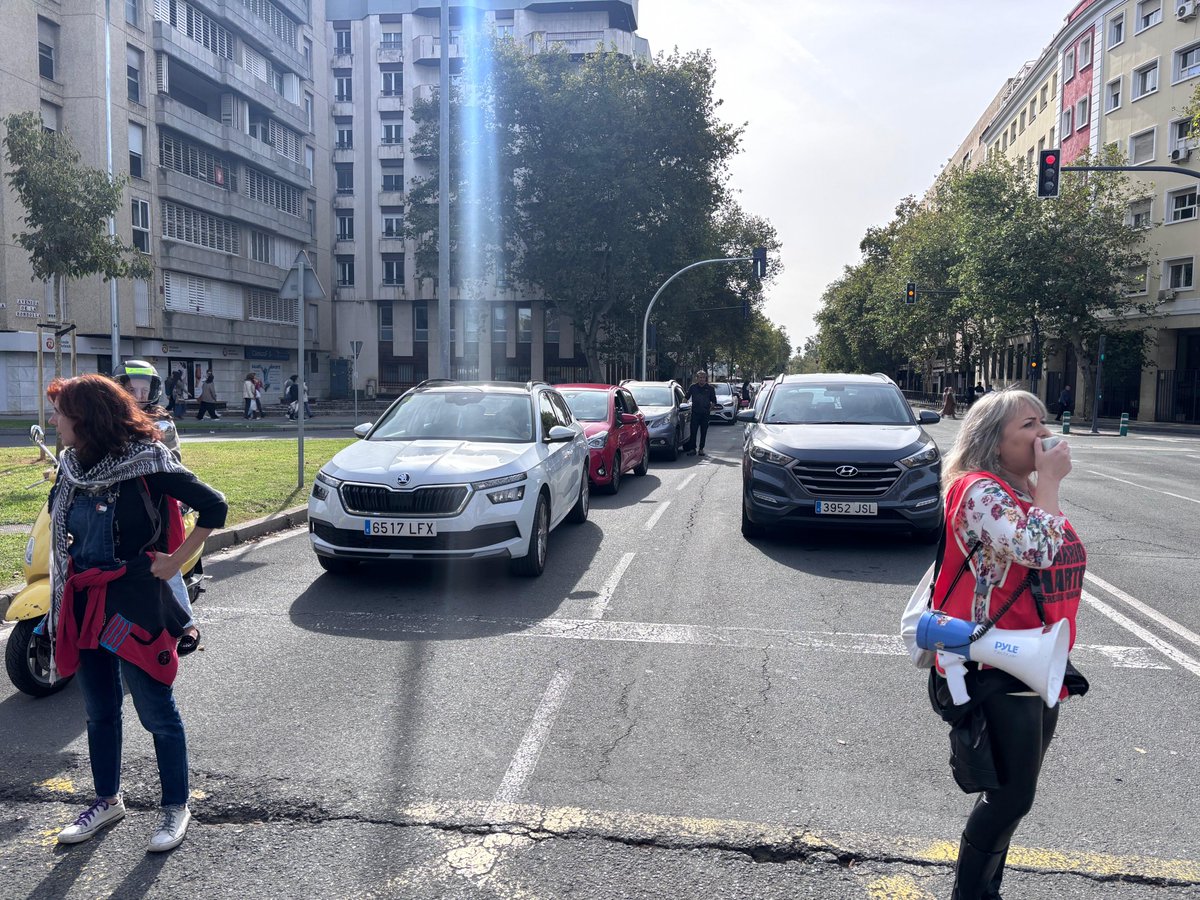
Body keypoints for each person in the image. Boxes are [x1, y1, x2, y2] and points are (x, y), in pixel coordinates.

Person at [45, 374, 227, 852]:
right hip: (85, 602)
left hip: (134, 603)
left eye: (61, 412)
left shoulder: (146, 462)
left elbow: (214, 505)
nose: (54, 420)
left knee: (156, 712)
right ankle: (107, 801)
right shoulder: (69, 467)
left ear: (85, 418)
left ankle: (175, 807)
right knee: (99, 712)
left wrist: (176, 560)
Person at [929, 389, 1086, 899]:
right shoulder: (979, 491)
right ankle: (971, 894)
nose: (1044, 434)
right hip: (996, 661)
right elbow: (1037, 550)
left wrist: (1042, 488)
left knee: (1016, 795)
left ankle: (986, 889)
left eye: (1044, 422)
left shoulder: (1017, 494)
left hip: (1038, 659)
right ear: (994, 442)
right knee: (1011, 796)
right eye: (1029, 425)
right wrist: (1052, 485)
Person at [683, 370, 718, 457]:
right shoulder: (693, 387)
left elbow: (714, 401)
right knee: (693, 431)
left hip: (705, 414)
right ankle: (692, 449)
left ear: (705, 378)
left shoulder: (710, 388)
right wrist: (684, 406)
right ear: (697, 378)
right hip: (695, 413)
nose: (702, 379)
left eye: (703, 377)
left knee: (703, 432)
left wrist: (710, 409)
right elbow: (685, 398)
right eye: (700, 377)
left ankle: (701, 449)